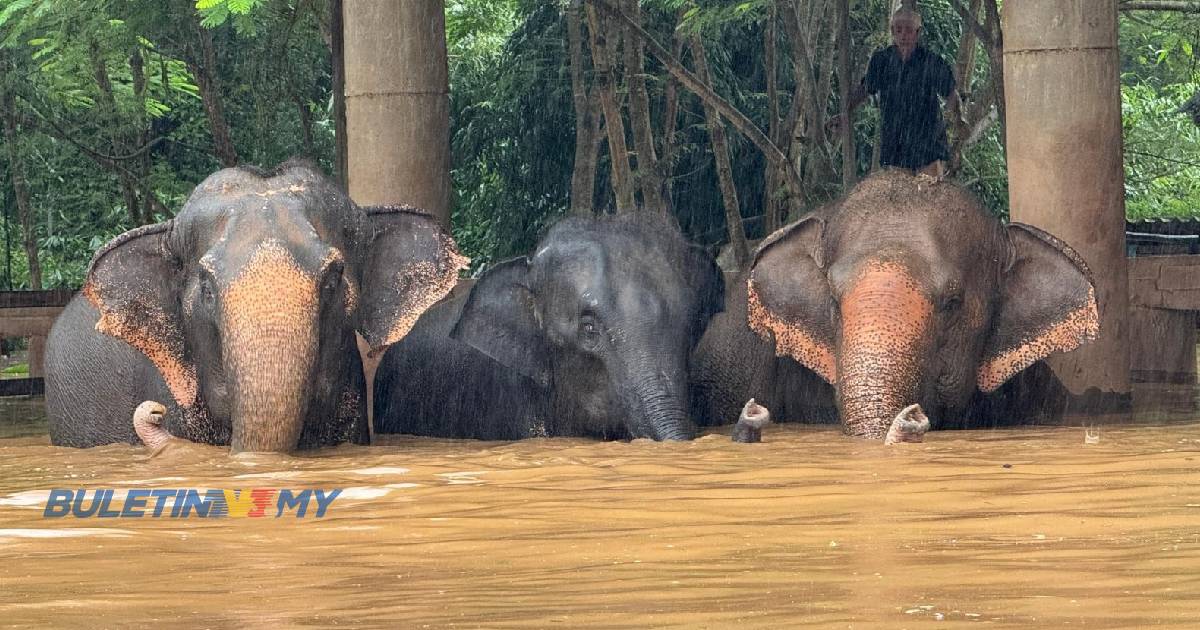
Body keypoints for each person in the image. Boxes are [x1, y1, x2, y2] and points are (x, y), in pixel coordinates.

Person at [830, 7, 960, 177]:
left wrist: (957, 120)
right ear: (892, 31)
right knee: (899, 196)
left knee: (931, 194)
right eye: (898, 30)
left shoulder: (932, 61)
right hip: (895, 141)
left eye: (908, 30)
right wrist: (844, 113)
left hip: (928, 141)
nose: (903, 35)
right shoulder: (881, 60)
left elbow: (951, 93)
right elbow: (865, 89)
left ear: (917, 32)